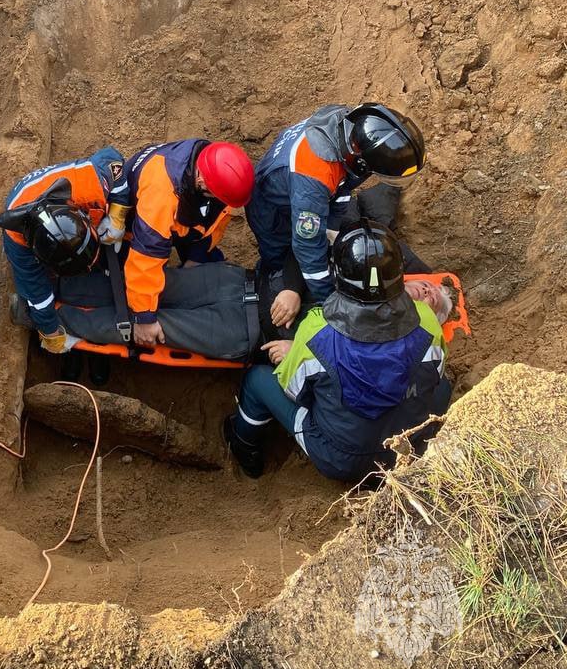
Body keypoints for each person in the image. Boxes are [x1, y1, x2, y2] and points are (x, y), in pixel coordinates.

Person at [223, 218, 451, 481]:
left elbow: (297, 392)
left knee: (257, 381)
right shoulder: (428, 321)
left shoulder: (317, 330)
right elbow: (433, 373)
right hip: (406, 447)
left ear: (337, 275)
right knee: (443, 385)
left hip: (343, 458)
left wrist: (299, 354)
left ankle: (244, 447)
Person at [247, 104, 425, 327]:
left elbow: (343, 187)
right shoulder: (313, 179)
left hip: (295, 186)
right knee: (280, 257)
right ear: (363, 162)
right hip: (270, 208)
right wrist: (329, 302)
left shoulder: (351, 132)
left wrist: (331, 228)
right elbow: (307, 246)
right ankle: (269, 278)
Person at [108, 140, 254, 348]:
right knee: (120, 288)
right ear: (201, 181)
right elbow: (146, 254)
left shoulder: (214, 165)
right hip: (132, 228)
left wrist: (197, 257)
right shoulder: (162, 190)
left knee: (206, 266)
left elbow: (218, 218)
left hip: (180, 214)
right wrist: (144, 317)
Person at [0, 147, 129, 353]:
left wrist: (117, 215)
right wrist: (51, 333)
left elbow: (114, 161)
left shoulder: (89, 183)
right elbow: (37, 295)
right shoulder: (18, 245)